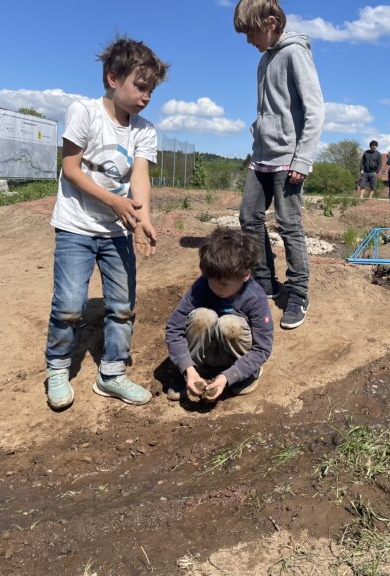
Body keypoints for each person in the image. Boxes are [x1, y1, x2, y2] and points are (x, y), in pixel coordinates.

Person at [43, 38, 168, 410]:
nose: (146, 97)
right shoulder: (84, 112)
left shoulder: (144, 130)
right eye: (140, 86)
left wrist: (143, 218)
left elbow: (140, 175)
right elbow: (70, 170)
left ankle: (111, 374)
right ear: (113, 78)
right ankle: (58, 368)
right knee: (69, 304)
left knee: (123, 305)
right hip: (76, 226)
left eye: (151, 90)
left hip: (116, 234)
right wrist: (115, 202)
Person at [234, 0, 325, 330]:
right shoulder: (263, 60)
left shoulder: (294, 53)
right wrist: (257, 143)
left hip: (289, 159)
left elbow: (315, 111)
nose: (249, 41)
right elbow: (267, 113)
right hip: (261, 156)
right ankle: (265, 282)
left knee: (288, 224)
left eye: (251, 33)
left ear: (271, 22)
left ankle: (298, 293)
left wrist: (302, 158)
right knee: (248, 216)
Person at [165, 228, 273, 402]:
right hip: (207, 354)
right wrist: (188, 369)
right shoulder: (201, 287)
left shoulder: (255, 298)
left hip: (236, 358)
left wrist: (228, 376)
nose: (215, 288)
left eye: (223, 284)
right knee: (202, 317)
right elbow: (174, 328)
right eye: (210, 280)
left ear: (245, 275)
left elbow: (262, 348)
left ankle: (245, 374)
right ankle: (193, 374)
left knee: (230, 324)